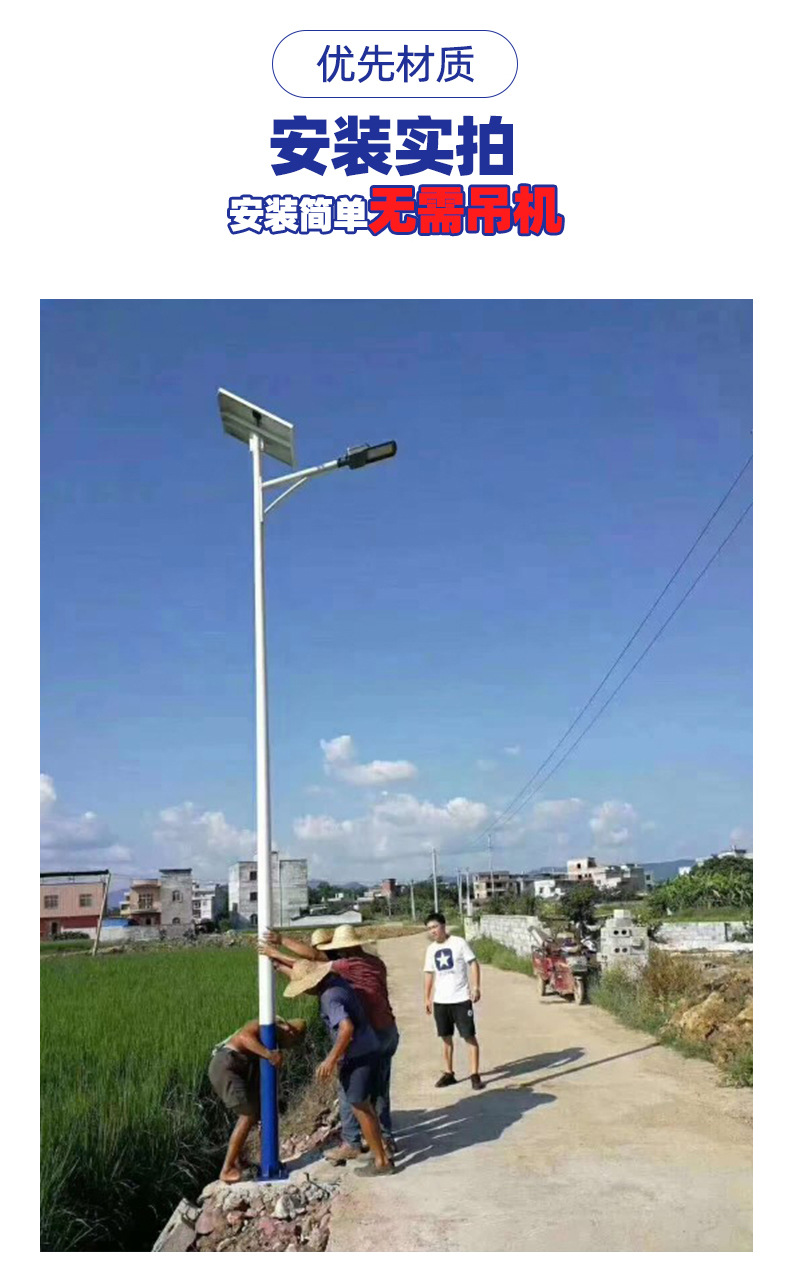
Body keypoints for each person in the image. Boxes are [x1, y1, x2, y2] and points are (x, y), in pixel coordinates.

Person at [262, 924, 399, 1164]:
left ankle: (353, 1142)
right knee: (379, 1089)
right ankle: (385, 1140)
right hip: (388, 1030)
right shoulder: (374, 962)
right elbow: (311, 971)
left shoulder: (344, 968)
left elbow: (311, 967)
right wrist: (280, 964)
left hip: (368, 1036)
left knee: (351, 1094)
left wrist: (277, 950)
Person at [283, 957, 394, 1176]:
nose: (305, 992)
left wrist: (330, 1059)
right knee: (366, 1106)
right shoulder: (338, 982)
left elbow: (346, 1028)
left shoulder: (329, 997)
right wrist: (279, 965)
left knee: (360, 1106)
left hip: (357, 1056)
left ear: (313, 983)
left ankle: (381, 1162)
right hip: (369, 1048)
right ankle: (381, 1151)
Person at [208, 1016, 306, 1183]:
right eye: (293, 1042)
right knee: (248, 1115)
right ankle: (227, 1169)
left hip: (238, 1069)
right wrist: (269, 1055)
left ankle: (244, 1161)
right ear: (291, 1032)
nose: (290, 1047)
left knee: (257, 1113)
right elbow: (243, 1037)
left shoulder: (273, 1040)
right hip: (227, 1066)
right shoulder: (268, 1024)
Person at [423, 911, 483, 1090]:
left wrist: (476, 987)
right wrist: (427, 998)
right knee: (445, 1038)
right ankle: (449, 1073)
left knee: (469, 1036)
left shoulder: (459, 943)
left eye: (435, 926)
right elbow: (429, 973)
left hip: (461, 999)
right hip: (441, 1001)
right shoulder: (431, 949)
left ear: (443, 926)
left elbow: (473, 963)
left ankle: (474, 1075)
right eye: (429, 928)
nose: (433, 931)